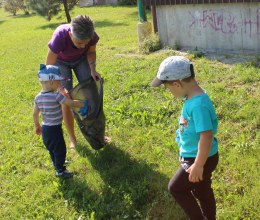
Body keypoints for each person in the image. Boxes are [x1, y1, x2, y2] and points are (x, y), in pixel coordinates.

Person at [151, 56, 219, 220]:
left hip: (199, 158)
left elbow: (206, 136)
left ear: (177, 84)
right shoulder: (191, 97)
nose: (170, 92)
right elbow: (187, 122)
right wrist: (180, 135)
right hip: (196, 155)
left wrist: (198, 165)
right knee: (201, 189)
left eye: (168, 88)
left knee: (176, 188)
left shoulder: (198, 105)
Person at [46, 15, 101, 149]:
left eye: (85, 43)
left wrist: (93, 69)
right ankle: (73, 139)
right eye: (79, 43)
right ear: (70, 34)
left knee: (90, 92)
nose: (83, 46)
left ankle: (96, 134)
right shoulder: (60, 36)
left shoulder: (92, 36)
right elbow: (49, 66)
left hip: (81, 60)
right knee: (66, 99)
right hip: (61, 63)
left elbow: (91, 52)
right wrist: (59, 88)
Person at [33, 64, 86, 178]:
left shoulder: (38, 97)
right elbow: (71, 103)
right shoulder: (56, 96)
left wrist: (37, 125)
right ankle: (60, 171)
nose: (60, 84)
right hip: (55, 129)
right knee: (60, 149)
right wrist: (83, 104)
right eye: (59, 82)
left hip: (46, 129)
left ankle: (58, 164)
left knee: (52, 150)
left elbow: (35, 113)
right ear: (51, 82)